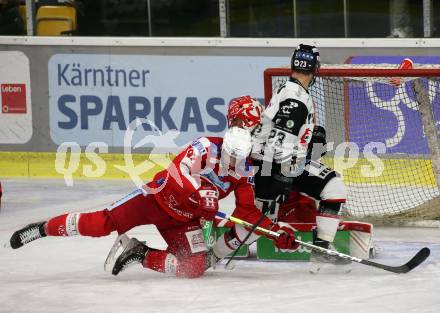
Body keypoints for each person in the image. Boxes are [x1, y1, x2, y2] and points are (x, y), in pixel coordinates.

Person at [9, 97, 298, 278]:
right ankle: (43, 228)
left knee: (194, 268)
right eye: (231, 155)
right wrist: (200, 196)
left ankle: (139, 253)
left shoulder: (246, 170)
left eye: (239, 156)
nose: (234, 160)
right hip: (155, 201)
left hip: (182, 222)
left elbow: (246, 211)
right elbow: (175, 173)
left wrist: (272, 232)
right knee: (100, 224)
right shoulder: (205, 146)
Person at [212, 45, 348, 270]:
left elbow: (285, 135)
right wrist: (283, 177)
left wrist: (310, 139)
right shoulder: (295, 96)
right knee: (255, 225)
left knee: (333, 187)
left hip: (281, 164)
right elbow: (280, 139)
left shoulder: (292, 92)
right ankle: (214, 256)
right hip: (271, 167)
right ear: (316, 68)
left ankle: (322, 247)